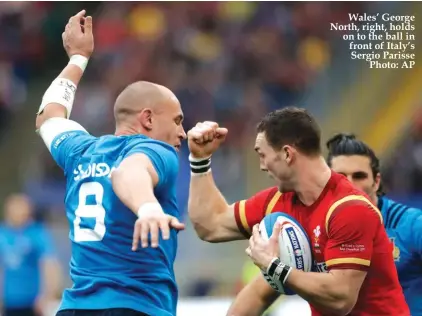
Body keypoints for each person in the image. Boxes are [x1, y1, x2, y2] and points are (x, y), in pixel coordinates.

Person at [187, 108, 409, 316]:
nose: (262, 166)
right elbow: (211, 225)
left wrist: (275, 266)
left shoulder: (349, 208)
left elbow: (341, 298)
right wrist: (199, 160)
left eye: (262, 155)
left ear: (286, 154)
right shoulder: (277, 202)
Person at [36, 10, 186, 316]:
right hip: (136, 307)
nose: (182, 132)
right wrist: (147, 207)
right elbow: (129, 172)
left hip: (76, 308)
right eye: (177, 120)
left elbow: (48, 116)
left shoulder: (81, 151)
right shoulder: (158, 151)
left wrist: (77, 58)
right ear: (147, 118)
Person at [326, 133, 422, 316]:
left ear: (376, 182)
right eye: (341, 177)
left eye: (359, 176)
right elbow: (262, 292)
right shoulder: (314, 231)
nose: (350, 185)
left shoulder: (411, 225)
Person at [0, 193, 62, 316]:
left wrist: (48, 295)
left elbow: (50, 265)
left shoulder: (37, 233)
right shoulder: (3, 233)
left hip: (33, 302)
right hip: (9, 301)